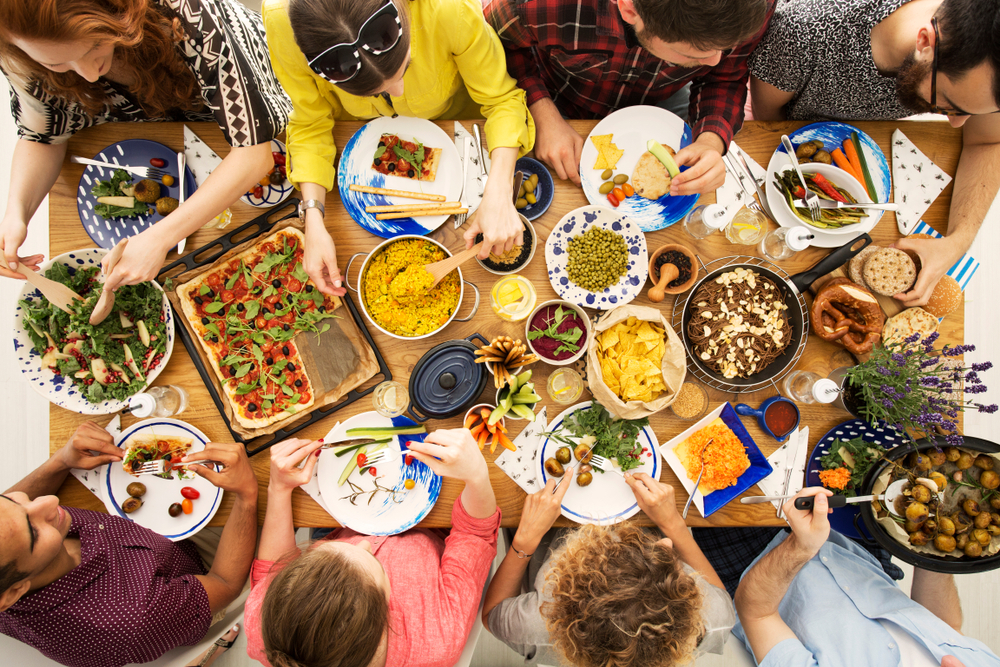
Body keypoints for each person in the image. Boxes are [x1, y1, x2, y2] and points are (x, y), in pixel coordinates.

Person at [0, 0, 290, 291]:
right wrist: (16, 214)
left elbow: (254, 155)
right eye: (56, 63)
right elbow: (43, 136)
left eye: (95, 45)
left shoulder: (187, 14)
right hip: (161, 129)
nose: (89, 74)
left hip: (263, 88)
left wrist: (160, 238)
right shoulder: (21, 56)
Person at [262, 0, 535, 291]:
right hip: (353, 131)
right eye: (376, 91)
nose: (399, 92)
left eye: (407, 67)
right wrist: (313, 220)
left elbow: (501, 101)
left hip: (457, 119)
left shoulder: (446, 8)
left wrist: (499, 189)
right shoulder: (282, 22)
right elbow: (310, 123)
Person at [748, 0, 1000, 308]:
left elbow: (988, 141)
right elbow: (767, 124)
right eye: (946, 102)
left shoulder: (984, 67)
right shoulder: (802, 32)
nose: (956, 122)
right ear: (925, 43)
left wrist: (957, 242)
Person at [0, 421, 259, 667]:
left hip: (157, 542)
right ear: (12, 594)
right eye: (33, 532)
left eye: (15, 502)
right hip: (201, 577)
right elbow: (225, 582)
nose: (48, 502)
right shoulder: (132, 617)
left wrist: (60, 462)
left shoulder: (11, 544)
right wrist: (246, 495)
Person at [244, 430, 501, 667]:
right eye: (372, 560)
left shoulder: (265, 627)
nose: (366, 541)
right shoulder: (440, 637)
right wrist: (477, 475)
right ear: (387, 611)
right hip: (436, 527)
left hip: (339, 522)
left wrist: (278, 488)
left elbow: (271, 568)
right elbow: (474, 535)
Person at [483, 0, 774, 192]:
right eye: (693, 54)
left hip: (664, 98)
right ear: (629, 8)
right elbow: (494, 46)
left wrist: (711, 141)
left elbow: (724, 76)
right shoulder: (539, 4)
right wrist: (542, 111)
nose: (714, 61)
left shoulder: (750, 7)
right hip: (559, 94)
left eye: (726, 48)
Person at [482, 469, 735, 666]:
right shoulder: (712, 621)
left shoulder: (535, 627)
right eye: (674, 567)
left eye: (657, 551)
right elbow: (719, 595)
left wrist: (524, 542)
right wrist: (674, 525)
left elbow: (491, 613)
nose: (667, 544)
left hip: (547, 534)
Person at [733, 487, 1000, 667]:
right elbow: (946, 627)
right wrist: (931, 550)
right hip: (857, 553)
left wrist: (801, 546)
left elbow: (757, 614)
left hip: (752, 561)